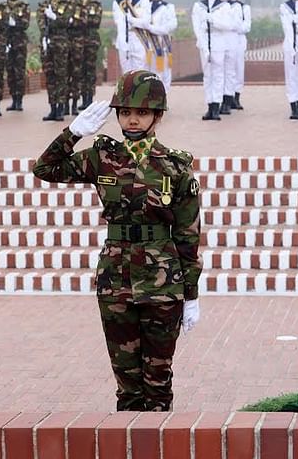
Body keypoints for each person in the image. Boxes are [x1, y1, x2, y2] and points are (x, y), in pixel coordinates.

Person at [32, 70, 202, 411]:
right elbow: (45, 169)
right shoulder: (102, 158)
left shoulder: (176, 167)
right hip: (116, 280)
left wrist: (192, 294)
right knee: (127, 385)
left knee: (158, 381)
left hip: (163, 283)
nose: (132, 119)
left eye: (141, 113)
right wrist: (73, 132)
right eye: (125, 112)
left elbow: (188, 235)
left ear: (158, 115)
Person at [192, 0, 236, 120]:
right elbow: (196, 25)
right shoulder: (199, 6)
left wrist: (213, 20)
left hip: (218, 41)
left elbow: (228, 25)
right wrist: (201, 39)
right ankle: (210, 106)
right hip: (205, 41)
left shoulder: (224, 6)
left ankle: (217, 105)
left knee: (218, 75)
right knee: (207, 76)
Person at [38, 0, 74, 121]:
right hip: (48, 43)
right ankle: (52, 108)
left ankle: (60, 108)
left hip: (61, 44)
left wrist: (53, 18)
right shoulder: (43, 5)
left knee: (61, 76)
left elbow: (66, 22)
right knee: (50, 76)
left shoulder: (67, 5)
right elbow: (41, 23)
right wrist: (45, 36)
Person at [144, 0, 177, 92]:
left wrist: (153, 29)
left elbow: (171, 25)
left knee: (163, 72)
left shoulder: (168, 7)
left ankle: (162, 97)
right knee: (147, 72)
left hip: (161, 44)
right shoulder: (144, 5)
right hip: (146, 44)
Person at [113, 0, 149, 74]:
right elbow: (117, 21)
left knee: (140, 69)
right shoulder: (117, 2)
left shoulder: (143, 1)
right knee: (126, 70)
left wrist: (132, 20)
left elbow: (146, 22)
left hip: (138, 37)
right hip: (123, 39)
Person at [4, 0, 30, 113]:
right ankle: (13, 99)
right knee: (10, 72)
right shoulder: (2, 8)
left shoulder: (23, 7)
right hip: (7, 42)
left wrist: (16, 24)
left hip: (19, 43)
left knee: (19, 72)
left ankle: (19, 100)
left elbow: (25, 23)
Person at [78, 0, 103, 111]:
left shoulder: (95, 5)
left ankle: (89, 98)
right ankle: (83, 98)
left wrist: (80, 20)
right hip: (77, 41)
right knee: (80, 72)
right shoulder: (74, 5)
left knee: (90, 71)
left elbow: (95, 21)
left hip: (91, 42)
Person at [64, 0, 86, 116]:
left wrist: (72, 22)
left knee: (76, 74)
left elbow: (84, 22)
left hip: (77, 42)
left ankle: (74, 104)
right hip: (64, 43)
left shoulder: (80, 6)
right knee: (64, 75)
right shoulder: (61, 5)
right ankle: (65, 104)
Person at [230, 0, 251, 110]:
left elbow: (246, 26)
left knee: (238, 69)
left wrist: (232, 26)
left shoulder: (244, 8)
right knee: (227, 69)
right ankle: (227, 97)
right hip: (226, 39)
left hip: (238, 40)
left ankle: (236, 97)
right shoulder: (222, 7)